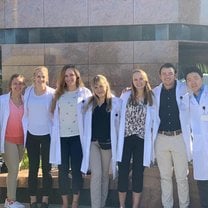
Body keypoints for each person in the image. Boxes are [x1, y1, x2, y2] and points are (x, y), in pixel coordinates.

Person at [143, 63, 192, 208]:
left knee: (181, 177)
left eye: (170, 73)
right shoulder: (155, 92)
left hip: (179, 137)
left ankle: (184, 205)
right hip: (161, 138)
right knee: (165, 177)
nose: (167, 76)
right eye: (164, 74)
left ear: (175, 74)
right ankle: (167, 205)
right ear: (160, 76)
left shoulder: (185, 88)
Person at [50, 64, 91, 208]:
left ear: (77, 76)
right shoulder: (58, 93)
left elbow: (101, 98)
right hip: (62, 138)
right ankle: (65, 203)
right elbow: (52, 113)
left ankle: (75, 202)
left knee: (75, 170)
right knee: (62, 170)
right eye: (66, 76)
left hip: (77, 137)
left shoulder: (85, 93)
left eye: (71, 75)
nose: (69, 78)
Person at [81, 74, 121, 208]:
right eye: (96, 87)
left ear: (106, 86)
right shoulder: (88, 103)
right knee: (96, 174)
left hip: (108, 144)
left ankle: (102, 204)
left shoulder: (115, 103)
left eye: (101, 86)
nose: (99, 90)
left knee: (104, 175)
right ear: (92, 88)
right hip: (93, 143)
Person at [117, 69, 154, 208]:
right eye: (135, 79)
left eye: (141, 79)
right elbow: (117, 113)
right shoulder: (126, 95)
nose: (138, 82)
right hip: (126, 138)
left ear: (146, 80)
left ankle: (135, 206)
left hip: (142, 140)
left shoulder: (151, 96)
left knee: (138, 174)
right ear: (132, 81)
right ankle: (122, 205)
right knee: (123, 173)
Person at [22, 66, 55, 208]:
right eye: (38, 76)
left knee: (47, 168)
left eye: (43, 76)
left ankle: (46, 199)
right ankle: (33, 199)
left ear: (46, 78)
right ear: (33, 77)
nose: (40, 79)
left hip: (47, 135)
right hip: (31, 135)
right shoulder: (28, 92)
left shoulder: (52, 94)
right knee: (33, 167)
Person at [0, 74, 26, 208]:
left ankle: (8, 201)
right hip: (7, 140)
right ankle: (11, 201)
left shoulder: (25, 101)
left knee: (14, 169)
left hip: (21, 142)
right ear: (10, 85)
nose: (17, 86)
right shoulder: (2, 100)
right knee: (14, 168)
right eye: (15, 83)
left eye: (20, 84)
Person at [185, 66, 208, 208]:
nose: (193, 82)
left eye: (196, 78)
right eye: (189, 80)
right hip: (199, 146)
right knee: (203, 183)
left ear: (202, 78)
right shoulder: (187, 99)